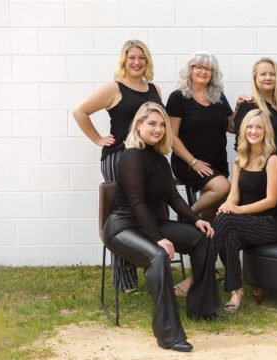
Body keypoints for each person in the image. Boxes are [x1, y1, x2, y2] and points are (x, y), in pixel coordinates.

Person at [102, 102, 222, 352]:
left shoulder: (159, 158)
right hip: (123, 228)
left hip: (150, 223)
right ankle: (168, 335)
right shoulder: (131, 155)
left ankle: (202, 308)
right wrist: (158, 238)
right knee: (157, 257)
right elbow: (136, 201)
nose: (157, 129)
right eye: (151, 123)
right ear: (139, 125)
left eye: (161, 125)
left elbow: (173, 197)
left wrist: (195, 219)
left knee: (203, 238)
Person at [73, 39, 162, 293]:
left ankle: (153, 266)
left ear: (147, 61)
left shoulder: (155, 89)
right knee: (124, 217)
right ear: (124, 60)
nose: (136, 62)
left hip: (148, 159)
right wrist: (98, 139)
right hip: (120, 158)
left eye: (141, 58)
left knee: (149, 211)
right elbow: (80, 112)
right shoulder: (114, 88)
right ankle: (125, 281)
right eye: (132, 57)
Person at [212, 109, 277, 313]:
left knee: (227, 222)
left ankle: (202, 276)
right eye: (250, 127)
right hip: (244, 223)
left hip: (267, 224)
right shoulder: (240, 159)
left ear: (266, 131)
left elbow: (271, 200)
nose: (254, 131)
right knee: (228, 232)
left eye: (258, 127)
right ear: (243, 131)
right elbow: (234, 195)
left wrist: (237, 210)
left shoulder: (272, 159)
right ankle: (237, 292)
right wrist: (227, 206)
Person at [166, 51, 233, 221]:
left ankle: (206, 246)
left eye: (208, 69)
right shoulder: (178, 97)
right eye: (199, 67)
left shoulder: (218, 97)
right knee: (222, 188)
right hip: (188, 162)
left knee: (211, 215)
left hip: (217, 162)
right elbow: (171, 137)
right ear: (190, 70)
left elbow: (232, 127)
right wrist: (193, 162)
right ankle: (187, 215)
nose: (203, 72)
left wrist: (240, 109)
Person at [231, 57, 277, 160]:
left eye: (272, 74)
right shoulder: (248, 106)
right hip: (264, 171)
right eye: (263, 74)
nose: (268, 77)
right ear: (255, 78)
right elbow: (240, 146)